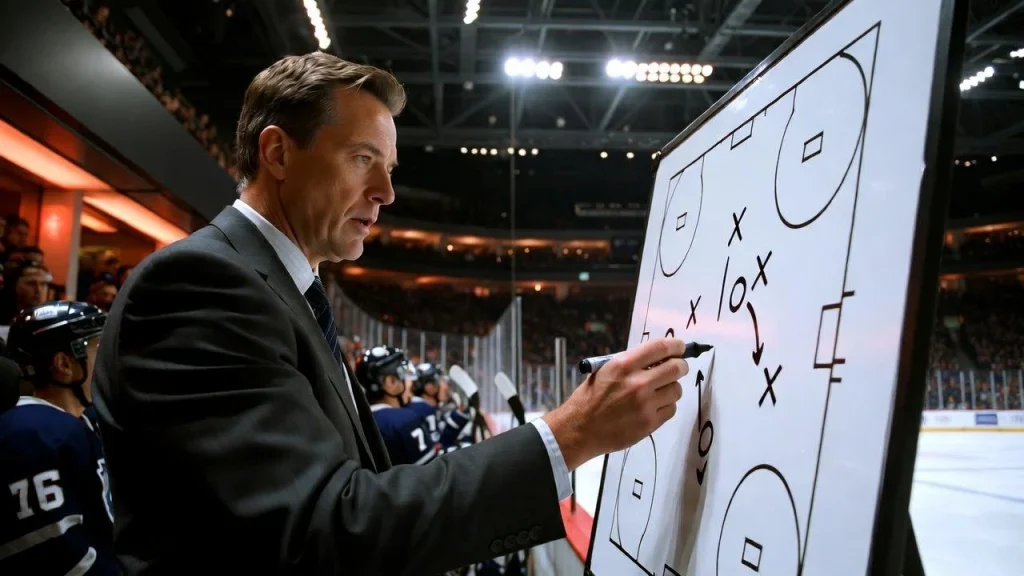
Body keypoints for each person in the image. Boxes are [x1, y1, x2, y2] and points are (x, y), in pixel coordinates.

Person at [91, 51, 688, 576]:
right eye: (361, 159)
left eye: (390, 168)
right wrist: (571, 433)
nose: (386, 191)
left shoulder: (282, 294)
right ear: (277, 152)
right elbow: (326, 531)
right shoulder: (200, 285)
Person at [0, 301, 115, 575]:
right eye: (96, 348)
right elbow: (53, 551)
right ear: (63, 363)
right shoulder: (33, 433)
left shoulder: (78, 422)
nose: (107, 360)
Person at [357, 346, 439, 466]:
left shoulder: (358, 420)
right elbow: (434, 475)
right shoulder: (405, 420)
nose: (407, 380)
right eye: (401, 373)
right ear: (390, 382)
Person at [407, 362, 472, 449]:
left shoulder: (428, 408)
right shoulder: (423, 410)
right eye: (442, 381)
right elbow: (437, 448)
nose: (446, 386)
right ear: (429, 387)